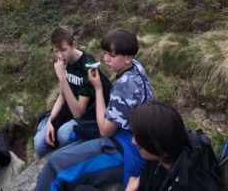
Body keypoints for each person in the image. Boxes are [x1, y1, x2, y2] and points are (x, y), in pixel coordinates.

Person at [35, 28, 155, 190]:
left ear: (128, 58)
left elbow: (104, 130)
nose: (106, 59)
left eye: (112, 55)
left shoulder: (124, 87)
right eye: (105, 53)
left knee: (55, 165)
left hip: (126, 148)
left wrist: (98, 88)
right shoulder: (136, 67)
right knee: (56, 155)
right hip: (133, 137)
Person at [125, 102, 227, 191]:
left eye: (140, 143)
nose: (133, 142)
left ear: (161, 152)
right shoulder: (166, 154)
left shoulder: (188, 185)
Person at [33, 26, 98, 156]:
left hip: (86, 114)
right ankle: (45, 123)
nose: (60, 56)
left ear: (73, 45)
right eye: (56, 51)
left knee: (63, 135)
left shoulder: (87, 63)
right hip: (67, 108)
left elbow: (79, 113)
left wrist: (62, 77)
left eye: (63, 50)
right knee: (39, 144)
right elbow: (62, 96)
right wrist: (51, 120)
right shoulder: (63, 62)